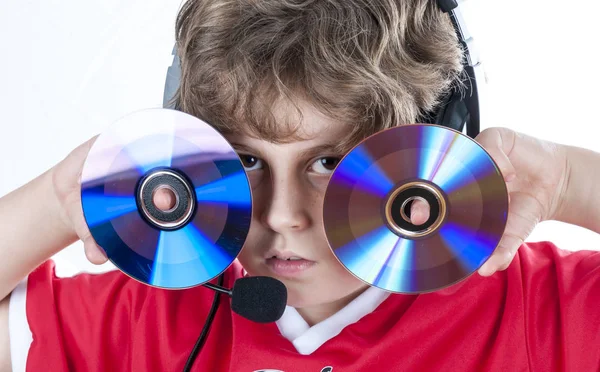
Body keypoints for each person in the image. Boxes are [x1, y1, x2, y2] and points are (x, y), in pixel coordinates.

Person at [1, 0, 599, 371]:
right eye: (245, 160)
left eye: (331, 162)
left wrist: (572, 181)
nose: (282, 217)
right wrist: (58, 199)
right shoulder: (147, 320)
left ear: (432, 154)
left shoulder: (536, 310)